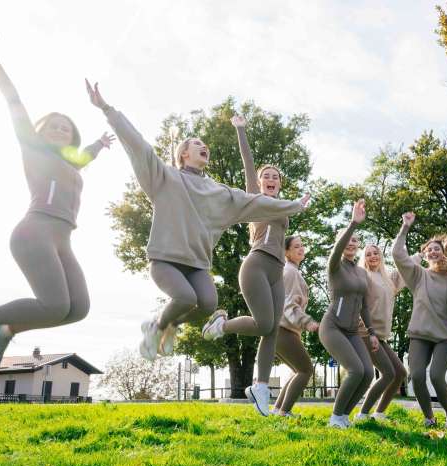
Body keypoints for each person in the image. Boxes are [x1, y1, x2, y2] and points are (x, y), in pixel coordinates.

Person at [86, 82, 309, 362]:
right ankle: (156, 326)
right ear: (183, 154)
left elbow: (254, 201)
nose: (203, 146)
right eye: (196, 144)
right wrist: (107, 109)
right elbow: (139, 146)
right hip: (166, 260)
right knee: (184, 299)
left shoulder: (218, 192)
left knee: (206, 304)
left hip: (197, 266)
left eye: (205, 145)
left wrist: (294, 206)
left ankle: (168, 325)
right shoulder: (165, 178)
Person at [0, 28, 114, 366]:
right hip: (35, 232)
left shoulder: (71, 164)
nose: (59, 129)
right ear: (39, 132)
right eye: (52, 125)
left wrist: (99, 144)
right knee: (55, 305)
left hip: (63, 239)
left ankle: (5, 329)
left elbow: (84, 157)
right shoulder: (33, 150)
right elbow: (14, 101)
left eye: (65, 127)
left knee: (78, 308)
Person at [201, 115, 301, 416]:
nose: (271, 179)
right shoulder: (254, 198)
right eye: (266, 176)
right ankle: (221, 325)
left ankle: (259, 387)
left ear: (280, 184)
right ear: (259, 182)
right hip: (256, 264)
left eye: (276, 177)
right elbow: (248, 162)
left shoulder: (284, 207)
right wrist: (241, 130)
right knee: (264, 324)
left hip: (277, 270)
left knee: (270, 330)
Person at [393, 212, 447, 428]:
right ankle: (429, 418)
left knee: (438, 376)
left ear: (443, 253)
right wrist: (405, 227)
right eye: (428, 249)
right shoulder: (418, 275)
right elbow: (397, 254)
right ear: (425, 254)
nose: (432, 251)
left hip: (446, 335)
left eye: (436, 248)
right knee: (417, 376)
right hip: (420, 333)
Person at [319, 200, 379, 428]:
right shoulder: (335, 265)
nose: (351, 243)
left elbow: (364, 305)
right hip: (332, 327)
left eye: (355, 240)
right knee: (355, 370)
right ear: (340, 243)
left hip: (353, 330)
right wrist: (353, 224)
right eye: (347, 239)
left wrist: (372, 332)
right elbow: (337, 249)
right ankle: (335, 417)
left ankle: (344, 415)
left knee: (367, 374)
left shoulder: (362, 273)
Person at [354, 243, 408, 422]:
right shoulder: (364, 276)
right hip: (366, 333)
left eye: (375, 253)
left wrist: (421, 255)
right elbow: (359, 305)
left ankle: (379, 413)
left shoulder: (386, 278)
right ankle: (363, 414)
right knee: (389, 373)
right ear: (364, 258)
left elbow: (405, 270)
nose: (372, 257)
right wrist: (369, 332)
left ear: (381, 256)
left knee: (400, 373)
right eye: (368, 254)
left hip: (381, 336)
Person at [270, 235, 319, 417]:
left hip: (282, 330)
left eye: (302, 245)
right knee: (306, 370)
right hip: (284, 330)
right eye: (296, 246)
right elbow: (289, 305)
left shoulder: (290, 271)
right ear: (286, 252)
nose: (301, 249)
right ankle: (284, 411)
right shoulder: (290, 272)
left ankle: (277, 410)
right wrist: (307, 322)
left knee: (298, 370)